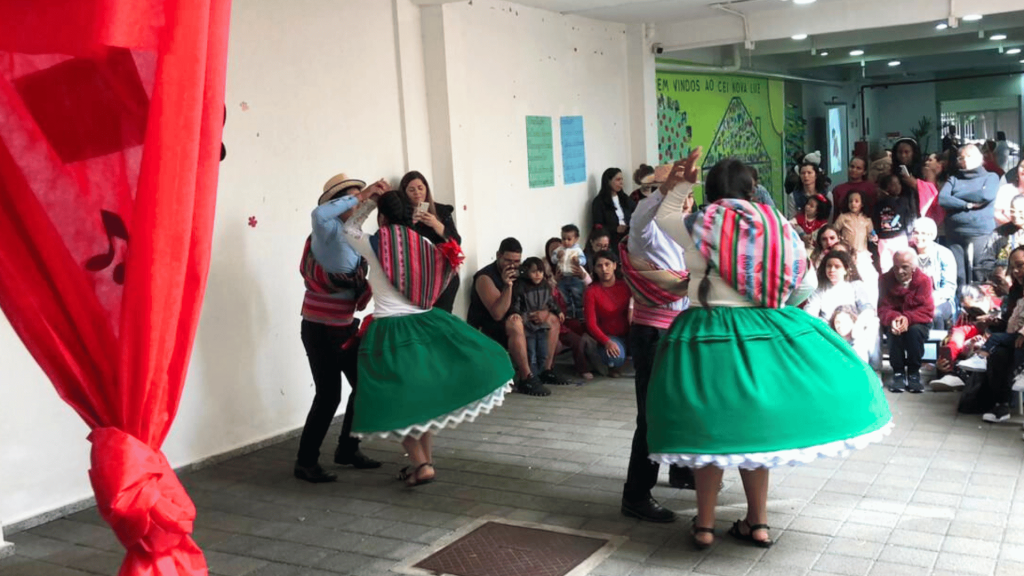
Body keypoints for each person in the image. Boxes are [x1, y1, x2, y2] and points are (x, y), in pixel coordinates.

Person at [647, 152, 891, 550]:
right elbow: (805, 283)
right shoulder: (777, 225)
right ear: (751, 190)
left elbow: (664, 217)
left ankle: (704, 526)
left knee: (709, 432)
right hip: (761, 331)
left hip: (706, 333)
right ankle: (757, 522)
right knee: (754, 431)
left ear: (712, 191)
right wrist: (771, 304)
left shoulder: (700, 223)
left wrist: (681, 183)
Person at [343, 189, 514, 486]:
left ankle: (422, 465)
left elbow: (348, 227)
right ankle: (426, 463)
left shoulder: (373, 244)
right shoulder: (422, 243)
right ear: (410, 216)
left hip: (390, 331)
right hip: (425, 324)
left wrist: (369, 200)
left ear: (382, 218)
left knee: (395, 404)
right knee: (420, 402)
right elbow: (448, 265)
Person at [619, 149, 697, 523]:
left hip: (680, 329)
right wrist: (666, 190)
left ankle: (680, 469)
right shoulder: (647, 235)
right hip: (653, 333)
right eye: (677, 195)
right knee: (650, 415)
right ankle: (636, 494)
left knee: (681, 405)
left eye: (688, 195)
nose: (685, 202)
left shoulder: (687, 236)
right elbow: (638, 219)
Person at [294, 174, 384, 483]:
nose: (357, 205)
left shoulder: (353, 233)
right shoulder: (327, 229)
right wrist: (363, 195)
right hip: (320, 330)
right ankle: (306, 462)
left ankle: (347, 448)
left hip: (342, 327)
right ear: (338, 204)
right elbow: (318, 213)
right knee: (329, 396)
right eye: (350, 199)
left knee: (364, 386)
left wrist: (373, 197)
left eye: (359, 199)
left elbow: (361, 212)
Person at [467, 238, 568, 396]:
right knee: (515, 323)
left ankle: (546, 370)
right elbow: (498, 314)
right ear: (498, 255)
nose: (513, 265)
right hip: (490, 327)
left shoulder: (521, 272)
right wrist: (508, 286)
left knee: (552, 320)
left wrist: (545, 312)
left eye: (517, 261)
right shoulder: (485, 277)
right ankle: (526, 377)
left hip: (520, 316)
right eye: (508, 260)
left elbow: (540, 294)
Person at [397, 171, 463, 313]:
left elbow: (457, 241)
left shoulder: (441, 211)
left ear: (426, 188)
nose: (417, 193)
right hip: (419, 276)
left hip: (443, 274)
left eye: (420, 188)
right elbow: (400, 242)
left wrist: (436, 224)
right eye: (411, 190)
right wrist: (412, 222)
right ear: (405, 193)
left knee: (442, 315)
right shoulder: (402, 215)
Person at [938, 144, 1001, 291]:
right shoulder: (954, 179)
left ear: (980, 158)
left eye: (969, 156)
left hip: (980, 233)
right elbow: (943, 199)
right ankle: (961, 303)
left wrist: (956, 196)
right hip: (954, 233)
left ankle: (982, 303)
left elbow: (985, 196)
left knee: (980, 273)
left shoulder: (991, 177)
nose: (965, 160)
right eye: (961, 158)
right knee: (958, 275)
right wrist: (968, 205)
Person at [803, 250, 880, 367]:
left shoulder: (855, 286)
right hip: (830, 331)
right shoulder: (820, 289)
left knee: (873, 323)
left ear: (845, 269)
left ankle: (874, 369)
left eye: (837, 266)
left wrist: (857, 326)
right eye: (829, 266)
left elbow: (868, 309)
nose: (832, 270)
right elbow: (810, 312)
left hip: (854, 331)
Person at [878, 249, 935, 393]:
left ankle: (914, 373)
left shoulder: (924, 281)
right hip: (894, 319)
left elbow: (927, 310)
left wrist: (907, 318)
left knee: (914, 331)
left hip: (918, 321)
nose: (900, 271)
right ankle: (898, 373)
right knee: (894, 331)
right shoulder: (885, 280)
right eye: (896, 267)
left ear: (914, 267)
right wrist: (894, 319)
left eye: (905, 267)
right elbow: (883, 307)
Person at [580, 251, 631, 378]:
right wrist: (606, 342)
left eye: (607, 264)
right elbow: (591, 324)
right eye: (599, 266)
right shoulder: (591, 291)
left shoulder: (626, 286)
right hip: (607, 337)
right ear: (594, 269)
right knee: (615, 358)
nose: (604, 269)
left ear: (614, 265)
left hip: (631, 334)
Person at [512, 257, 564, 380]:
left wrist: (558, 311)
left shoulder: (545, 286)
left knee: (543, 351)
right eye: (534, 271)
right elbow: (516, 303)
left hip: (542, 326)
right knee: (531, 353)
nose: (538, 275)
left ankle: (543, 373)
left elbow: (551, 301)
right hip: (528, 326)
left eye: (540, 271)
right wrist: (517, 313)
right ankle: (532, 376)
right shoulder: (520, 286)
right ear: (526, 272)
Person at [912, 217, 957, 329]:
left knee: (935, 313)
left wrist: (930, 300)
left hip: (940, 299)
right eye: (916, 233)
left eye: (924, 233)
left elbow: (949, 287)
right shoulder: (908, 253)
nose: (919, 237)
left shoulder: (944, 254)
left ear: (932, 235)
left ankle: (937, 340)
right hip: (913, 299)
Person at [873, 173, 916, 273]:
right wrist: (877, 234)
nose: (898, 186)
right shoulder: (879, 204)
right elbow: (875, 220)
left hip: (899, 237)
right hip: (884, 239)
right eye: (894, 184)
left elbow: (908, 218)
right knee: (885, 266)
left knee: (902, 262)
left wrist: (909, 234)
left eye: (899, 184)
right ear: (887, 188)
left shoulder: (903, 201)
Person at [833, 190, 877, 286]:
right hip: (847, 252)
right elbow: (834, 231)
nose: (853, 203)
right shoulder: (843, 217)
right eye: (850, 201)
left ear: (862, 204)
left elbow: (870, 235)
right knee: (847, 277)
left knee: (868, 277)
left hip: (862, 253)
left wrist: (873, 238)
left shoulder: (867, 219)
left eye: (856, 201)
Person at [592, 167, 636, 249]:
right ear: (608, 181)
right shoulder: (599, 202)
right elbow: (598, 225)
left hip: (629, 236)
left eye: (622, 179)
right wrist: (615, 229)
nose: (621, 183)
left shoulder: (625, 198)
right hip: (612, 239)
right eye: (618, 180)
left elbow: (636, 212)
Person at [551, 224, 587, 319]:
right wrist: (557, 257)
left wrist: (578, 260)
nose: (566, 241)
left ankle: (580, 314)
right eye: (563, 239)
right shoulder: (559, 250)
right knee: (565, 297)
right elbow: (553, 260)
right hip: (562, 277)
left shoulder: (577, 250)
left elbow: (584, 260)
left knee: (577, 296)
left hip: (575, 277)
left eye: (569, 239)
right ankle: (569, 314)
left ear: (576, 239)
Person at [993, 158, 1024, 226]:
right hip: (1006, 230)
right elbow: (997, 213)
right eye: (1022, 166)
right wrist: (1013, 227)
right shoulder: (1006, 189)